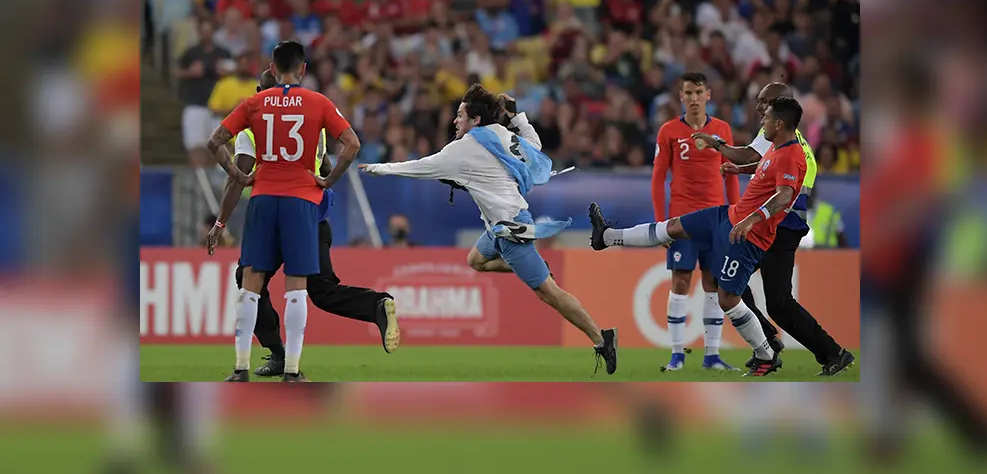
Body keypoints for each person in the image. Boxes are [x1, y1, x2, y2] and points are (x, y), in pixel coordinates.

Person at [360, 84, 619, 375]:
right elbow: (535, 146)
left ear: (475, 120)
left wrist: (380, 168)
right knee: (475, 260)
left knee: (550, 294)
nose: (455, 121)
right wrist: (518, 118)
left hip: (511, 229)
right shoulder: (501, 134)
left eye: (460, 115)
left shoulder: (466, 146)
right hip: (501, 226)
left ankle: (601, 339)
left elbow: (422, 166)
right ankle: (532, 267)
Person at [589, 96, 810, 377]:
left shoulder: (793, 155)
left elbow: (784, 196)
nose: (762, 121)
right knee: (674, 227)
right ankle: (606, 237)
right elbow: (762, 167)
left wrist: (752, 219)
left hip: (748, 237)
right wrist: (736, 167)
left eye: (766, 117)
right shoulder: (777, 150)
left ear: (779, 123)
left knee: (728, 298)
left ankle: (766, 355)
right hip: (726, 216)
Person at [207, 69, 399, 379]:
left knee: (249, 279)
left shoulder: (254, 120)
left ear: (259, 91)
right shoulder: (313, 122)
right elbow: (323, 168)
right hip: (310, 217)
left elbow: (237, 177)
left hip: (272, 215)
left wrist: (220, 222)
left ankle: (277, 355)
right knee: (320, 290)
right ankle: (376, 305)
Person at [696, 82, 854, 376]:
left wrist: (717, 144)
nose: (759, 109)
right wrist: (740, 171)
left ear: (779, 110)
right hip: (780, 223)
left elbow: (750, 157)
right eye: (758, 102)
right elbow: (765, 166)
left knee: (767, 297)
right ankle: (774, 341)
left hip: (781, 225)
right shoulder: (793, 140)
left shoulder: (774, 132)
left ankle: (808, 348)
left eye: (764, 103)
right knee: (730, 279)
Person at [651, 72, 741, 372]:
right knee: (681, 280)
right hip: (683, 219)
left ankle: (712, 356)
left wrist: (735, 214)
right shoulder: (668, 132)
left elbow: (730, 174)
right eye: (687, 93)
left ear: (708, 95)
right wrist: (660, 223)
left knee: (714, 283)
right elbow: (657, 179)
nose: (693, 98)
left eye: (698, 92)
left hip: (716, 219)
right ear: (681, 96)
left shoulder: (723, 130)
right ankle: (677, 354)